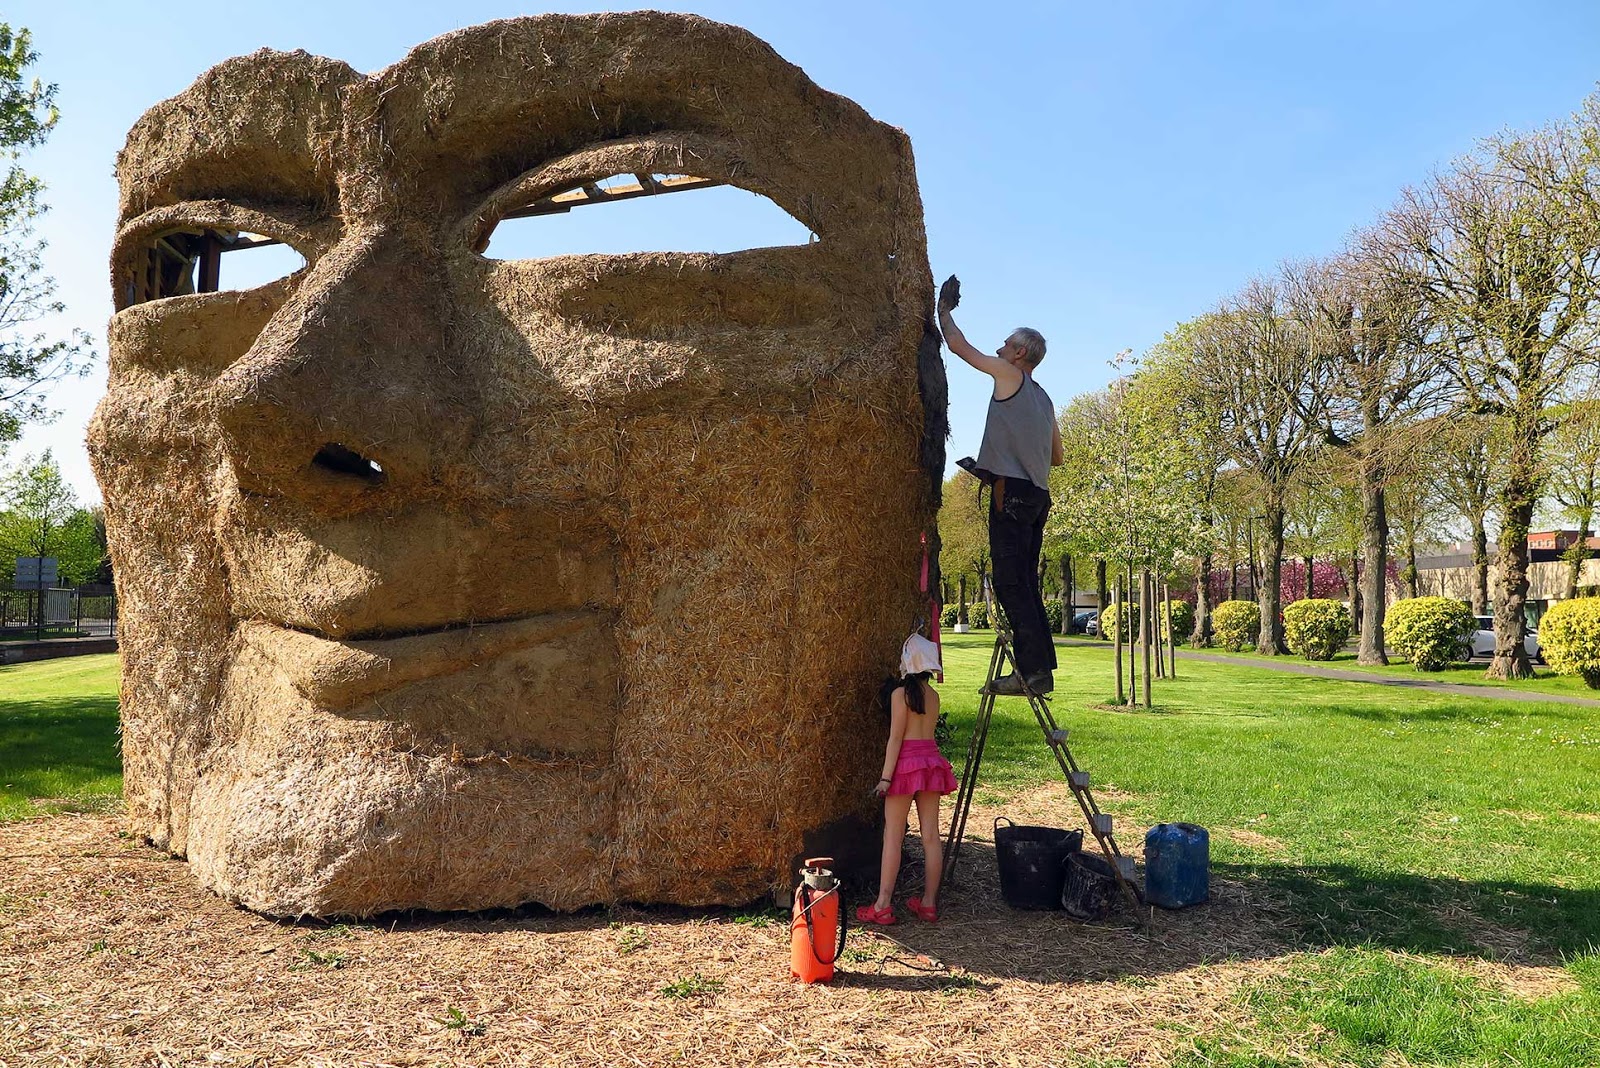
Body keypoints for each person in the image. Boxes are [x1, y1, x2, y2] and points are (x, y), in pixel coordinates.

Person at [937, 276, 1063, 696]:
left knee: (1011, 584)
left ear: (1020, 353)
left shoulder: (1010, 375)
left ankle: (1029, 674)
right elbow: (1057, 457)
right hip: (1038, 497)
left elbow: (959, 347)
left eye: (1006, 345)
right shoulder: (1044, 398)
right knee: (1026, 581)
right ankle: (1042, 668)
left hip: (1011, 495)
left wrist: (944, 310)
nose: (999, 350)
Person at [856, 634, 957, 925]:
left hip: (905, 767)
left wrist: (885, 779)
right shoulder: (934, 696)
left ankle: (883, 904)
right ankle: (928, 904)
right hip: (931, 764)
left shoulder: (900, 695)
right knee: (931, 837)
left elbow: (895, 739)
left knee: (893, 837)